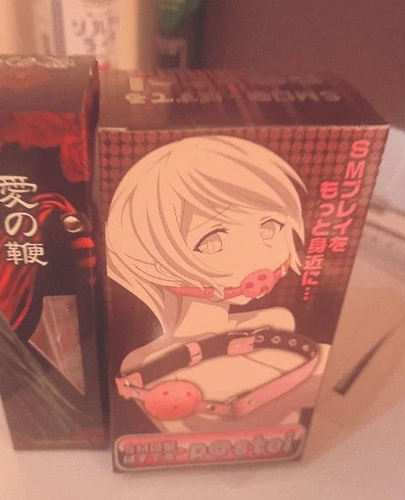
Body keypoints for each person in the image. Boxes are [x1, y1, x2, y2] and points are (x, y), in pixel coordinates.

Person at [106, 135, 328, 433]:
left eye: (270, 226)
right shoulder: (150, 365)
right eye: (211, 242)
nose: (258, 255)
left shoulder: (274, 323)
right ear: (153, 263)